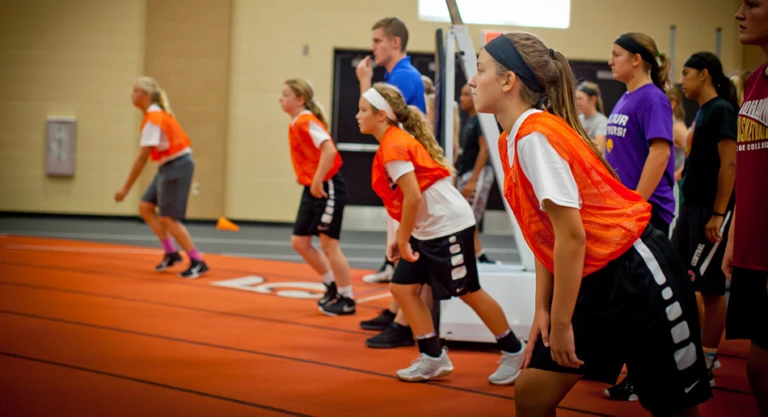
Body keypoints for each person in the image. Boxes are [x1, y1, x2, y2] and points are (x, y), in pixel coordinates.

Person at [470, 32, 711, 416]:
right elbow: (544, 234)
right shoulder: (511, 139)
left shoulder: (536, 137)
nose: (471, 79)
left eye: (480, 69)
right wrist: (543, 311)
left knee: (671, 406)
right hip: (590, 276)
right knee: (532, 394)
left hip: (636, 273)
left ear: (507, 80)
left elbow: (570, 235)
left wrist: (562, 320)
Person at [357, 82, 525, 384]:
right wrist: (404, 235)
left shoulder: (394, 145)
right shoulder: (392, 141)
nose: (358, 115)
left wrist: (403, 238)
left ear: (382, 115)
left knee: (468, 292)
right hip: (429, 227)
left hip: (447, 226)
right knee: (402, 289)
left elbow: (413, 196)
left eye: (363, 110)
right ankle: (433, 356)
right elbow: (410, 198)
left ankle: (515, 351)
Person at [602, 32, 677, 401]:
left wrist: (635, 205)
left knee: (645, 301)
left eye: (616, 54)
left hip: (646, 214)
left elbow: (660, 154)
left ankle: (646, 377)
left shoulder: (652, 98)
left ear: (637, 59)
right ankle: (627, 368)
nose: (610, 60)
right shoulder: (627, 98)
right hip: (626, 212)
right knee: (627, 297)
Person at [673, 53, 738, 387]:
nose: (682, 80)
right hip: (691, 208)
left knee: (710, 287)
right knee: (682, 278)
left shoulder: (723, 110)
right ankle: (691, 352)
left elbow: (730, 164)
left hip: (711, 211)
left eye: (686, 73)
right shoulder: (704, 111)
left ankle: (708, 360)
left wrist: (718, 213)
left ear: (704, 73)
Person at [115, 76, 209, 279]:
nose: (132, 95)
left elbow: (142, 158)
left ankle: (197, 261)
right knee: (146, 207)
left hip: (177, 166)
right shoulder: (155, 115)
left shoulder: (154, 120)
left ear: (146, 95)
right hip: (168, 166)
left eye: (135, 91)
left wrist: (125, 188)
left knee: (168, 218)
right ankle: (171, 253)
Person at [722, 2, 768, 415]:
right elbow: (750, 168)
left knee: (760, 364)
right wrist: (735, 231)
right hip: (754, 248)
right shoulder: (754, 79)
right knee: (759, 364)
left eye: (752, 3)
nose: (739, 12)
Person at [357, 17, 426, 287]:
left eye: (377, 41)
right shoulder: (396, 75)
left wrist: (365, 80)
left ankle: (403, 314)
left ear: (395, 42)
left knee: (403, 235)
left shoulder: (403, 76)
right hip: (401, 164)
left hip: (407, 166)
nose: (372, 47)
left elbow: (375, 116)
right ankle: (399, 310)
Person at [280, 79, 356, 316]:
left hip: (327, 185)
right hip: (312, 185)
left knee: (329, 244)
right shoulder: (295, 122)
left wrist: (317, 179)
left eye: (285, 95)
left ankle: (347, 297)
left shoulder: (306, 121)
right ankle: (331, 283)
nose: (280, 99)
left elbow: (329, 149)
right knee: (300, 241)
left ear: (300, 99)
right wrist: (306, 175)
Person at [456, 84, 499, 264]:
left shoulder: (481, 121)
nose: (461, 99)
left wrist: (473, 180)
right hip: (466, 172)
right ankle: (476, 254)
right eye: (461, 94)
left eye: (466, 95)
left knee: (468, 217)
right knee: (463, 215)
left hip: (477, 174)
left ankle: (476, 255)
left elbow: (485, 150)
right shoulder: (470, 120)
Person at [575, 81, 608, 153]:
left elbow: (599, 148)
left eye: (580, 99)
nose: (577, 102)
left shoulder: (602, 121)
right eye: (576, 99)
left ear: (593, 99)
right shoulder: (578, 119)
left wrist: (580, 134)